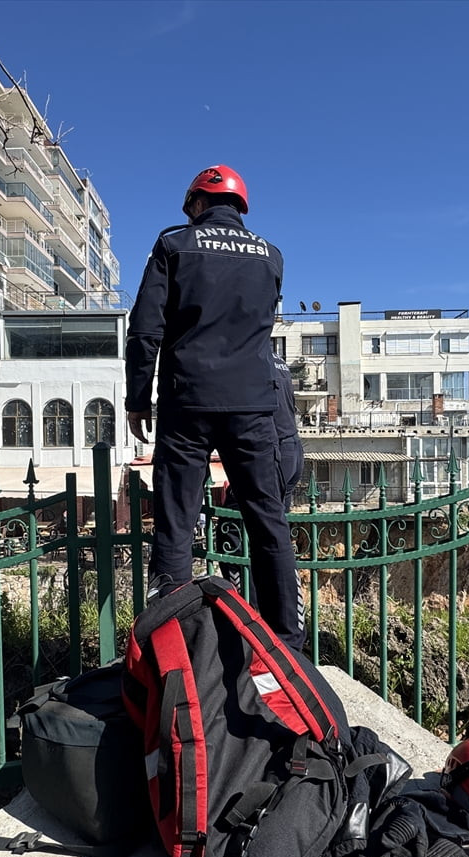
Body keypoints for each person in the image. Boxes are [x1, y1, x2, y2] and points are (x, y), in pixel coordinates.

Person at [125, 165, 304, 649]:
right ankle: (287, 644)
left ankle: (174, 644)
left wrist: (138, 399)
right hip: (253, 405)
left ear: (198, 204)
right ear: (240, 207)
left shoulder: (173, 245)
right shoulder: (271, 255)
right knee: (268, 522)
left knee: (177, 523)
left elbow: (145, 330)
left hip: (188, 401)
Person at [219, 354, 304, 604]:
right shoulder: (277, 360)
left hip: (272, 451)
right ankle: (280, 609)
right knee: (274, 533)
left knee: (231, 528)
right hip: (291, 447)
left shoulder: (248, 357)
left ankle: (247, 608)